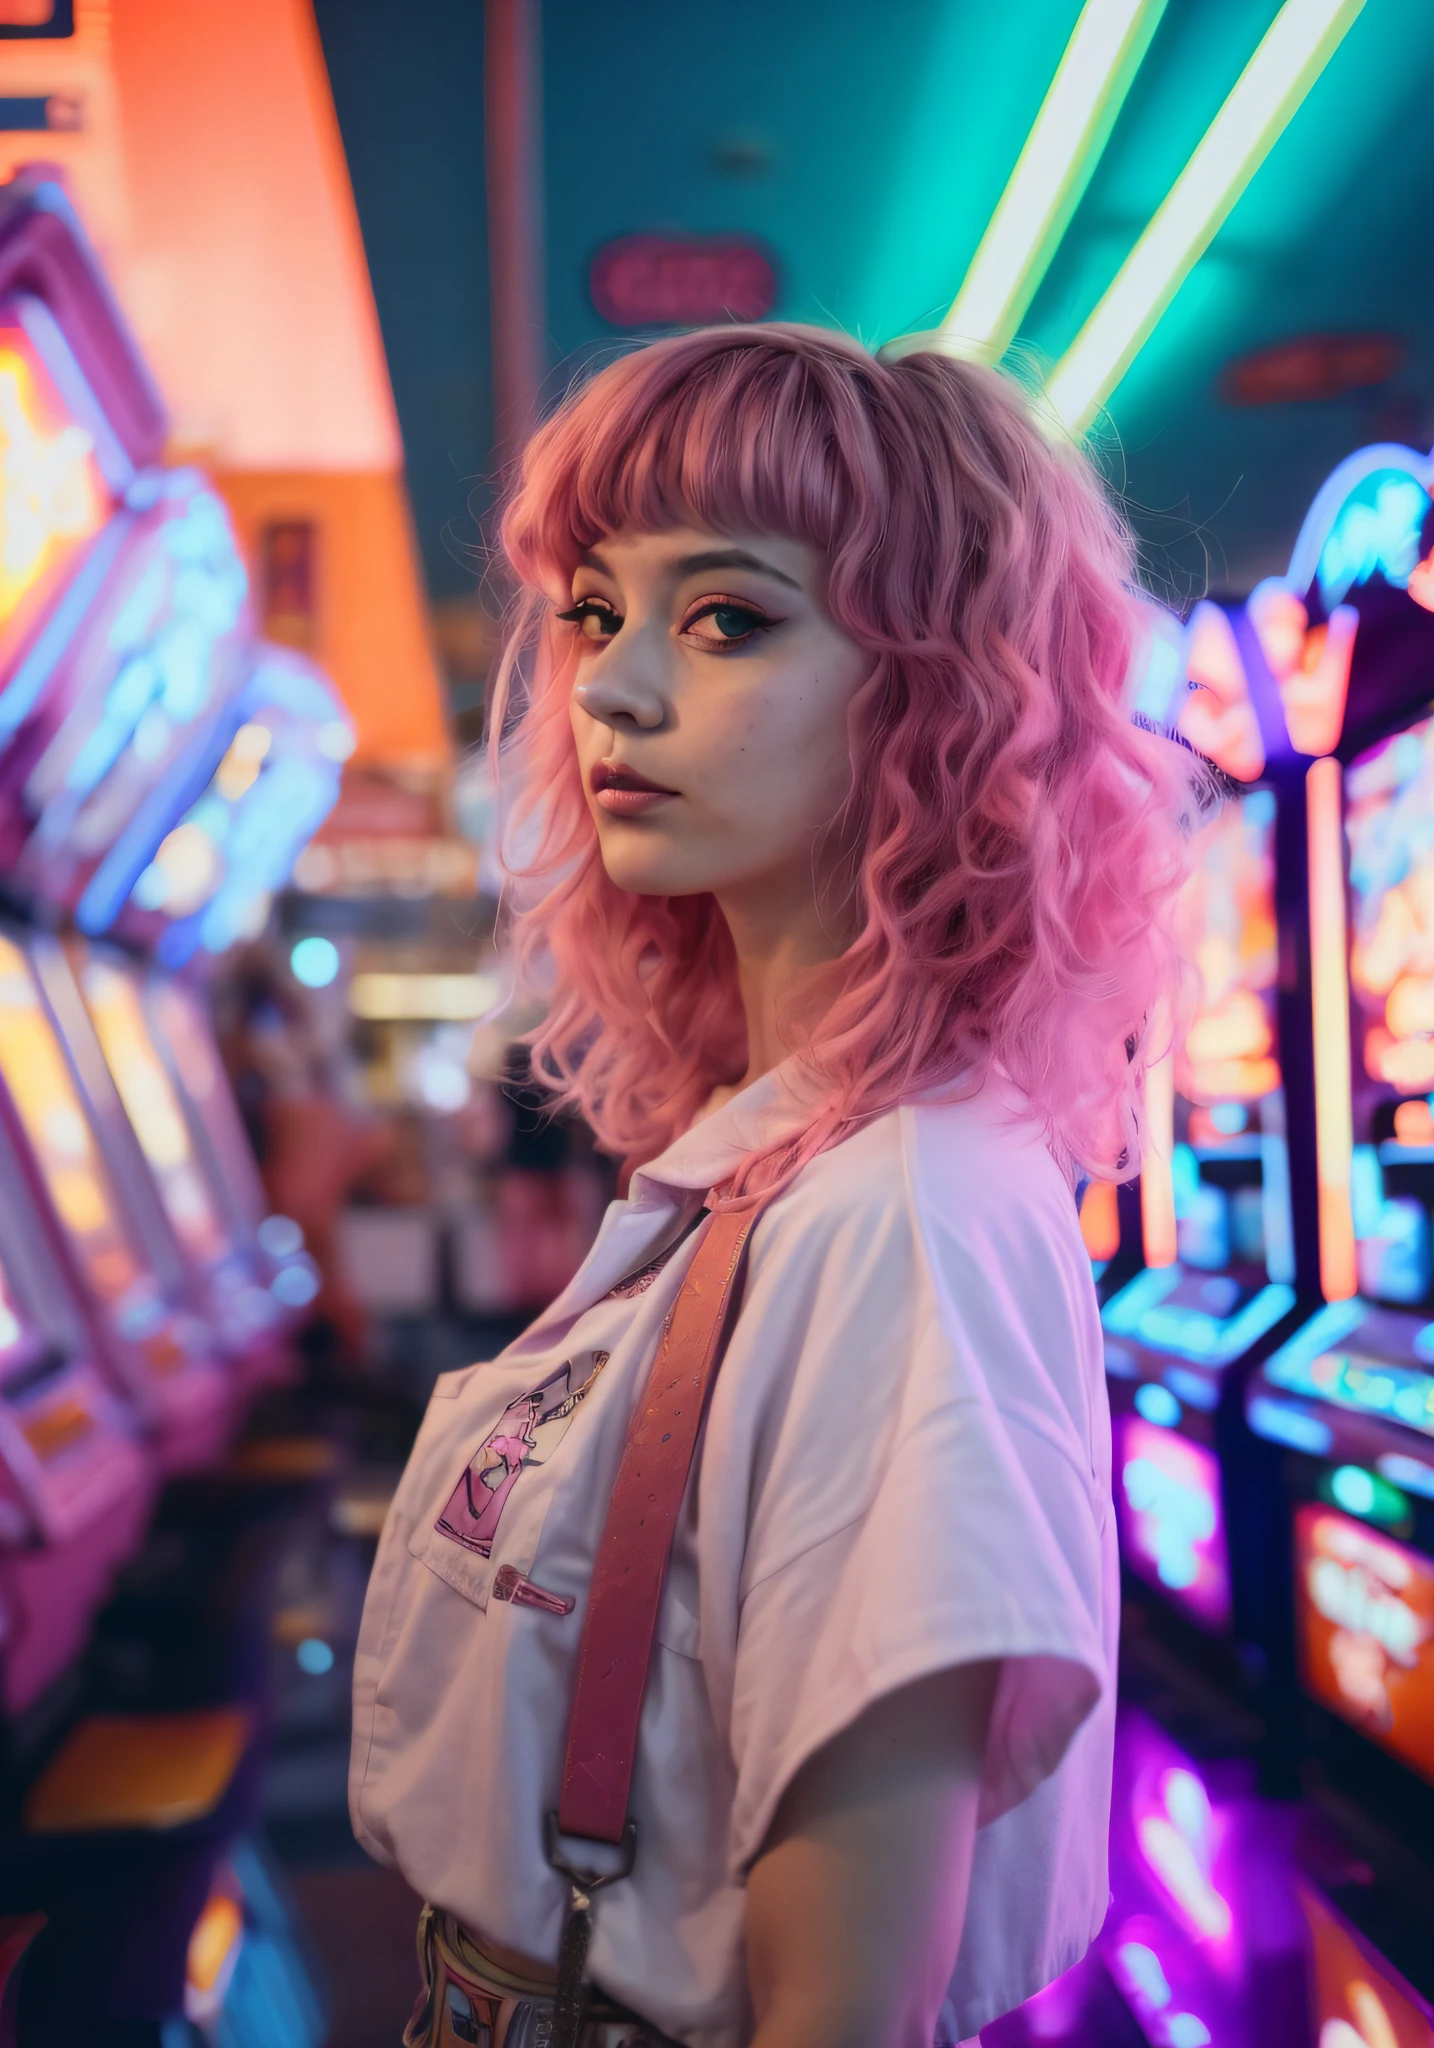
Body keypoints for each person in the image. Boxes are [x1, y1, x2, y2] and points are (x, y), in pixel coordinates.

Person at [350, 325, 1188, 2048]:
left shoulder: (907, 1213)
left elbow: (840, 2016)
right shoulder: (792, 1151)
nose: (609, 686)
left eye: (727, 617)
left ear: (933, 693)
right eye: (595, 609)